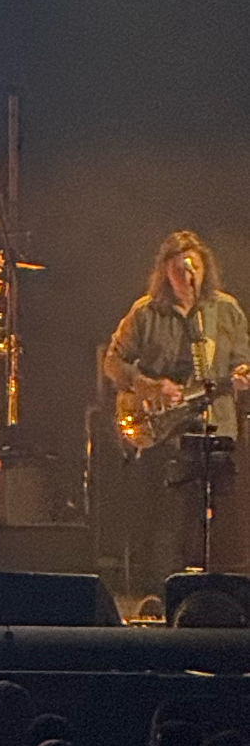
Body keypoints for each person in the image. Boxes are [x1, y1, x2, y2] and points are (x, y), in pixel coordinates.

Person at [103, 230, 250, 579]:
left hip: (216, 427)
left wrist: (241, 375)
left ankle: (214, 592)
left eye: (193, 268)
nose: (187, 276)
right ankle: (162, 589)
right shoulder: (146, 312)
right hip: (164, 432)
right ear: (165, 272)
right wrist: (150, 387)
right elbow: (113, 362)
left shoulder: (225, 310)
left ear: (204, 269)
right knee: (168, 518)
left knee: (218, 516)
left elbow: (242, 360)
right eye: (178, 269)